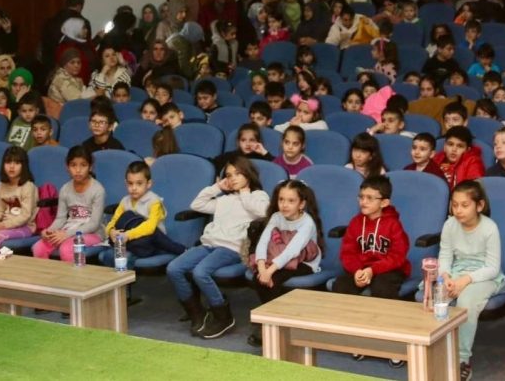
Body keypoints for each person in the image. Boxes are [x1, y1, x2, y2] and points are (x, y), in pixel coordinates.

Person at [169, 157, 268, 339]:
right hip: (210, 244)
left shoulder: (258, 196)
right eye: (229, 175)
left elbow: (263, 212)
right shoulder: (225, 200)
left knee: (200, 272)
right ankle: (197, 313)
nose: (233, 178)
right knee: (174, 268)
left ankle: (223, 315)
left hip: (231, 248)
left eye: (238, 174)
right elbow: (196, 205)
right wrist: (217, 188)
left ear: (248, 174)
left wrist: (245, 193)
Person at [426, 181, 505, 379]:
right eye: (455, 205)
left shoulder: (490, 228)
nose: (458, 210)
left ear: (479, 206)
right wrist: (446, 277)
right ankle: (436, 352)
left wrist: (465, 281)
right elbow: (445, 256)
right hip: (457, 271)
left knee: (466, 302)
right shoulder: (449, 225)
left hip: (484, 276)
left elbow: (492, 267)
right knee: (435, 295)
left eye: (464, 205)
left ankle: (462, 359)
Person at [336, 175, 411, 368]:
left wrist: (372, 270)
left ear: (384, 202)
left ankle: (394, 343)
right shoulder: (355, 223)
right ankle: (359, 338)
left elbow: (398, 256)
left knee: (382, 288)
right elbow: (347, 253)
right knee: (341, 286)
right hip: (361, 269)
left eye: (370, 198)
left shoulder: (393, 224)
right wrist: (357, 271)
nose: (364, 201)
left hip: (389, 269)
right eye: (361, 197)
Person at [247, 180, 324, 346]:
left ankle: (272, 325)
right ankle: (272, 320)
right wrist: (261, 267)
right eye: (281, 200)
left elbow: (292, 252)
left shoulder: (307, 223)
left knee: (272, 281)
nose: (284, 205)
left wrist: (269, 271)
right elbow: (263, 243)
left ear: (301, 204)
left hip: (303, 262)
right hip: (277, 257)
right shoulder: (276, 217)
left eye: (291, 201)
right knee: (257, 279)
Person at [98, 161, 186, 269]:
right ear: (126, 183)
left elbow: (150, 227)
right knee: (108, 255)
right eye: (130, 183)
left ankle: (124, 285)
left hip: (151, 242)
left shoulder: (154, 201)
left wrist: (127, 235)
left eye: (139, 183)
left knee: (124, 257)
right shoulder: (125, 201)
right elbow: (114, 220)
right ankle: (112, 284)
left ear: (148, 184)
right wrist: (111, 231)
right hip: (129, 242)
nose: (134, 188)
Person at [32, 146, 105, 261]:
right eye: (73, 165)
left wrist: (67, 234)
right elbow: (60, 219)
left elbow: (94, 224)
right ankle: (47, 278)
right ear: (67, 167)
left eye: (83, 165)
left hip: (93, 234)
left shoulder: (98, 190)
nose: (78, 170)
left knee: (67, 248)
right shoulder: (65, 189)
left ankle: (75, 278)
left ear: (91, 167)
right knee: (38, 247)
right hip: (69, 230)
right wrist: (49, 231)